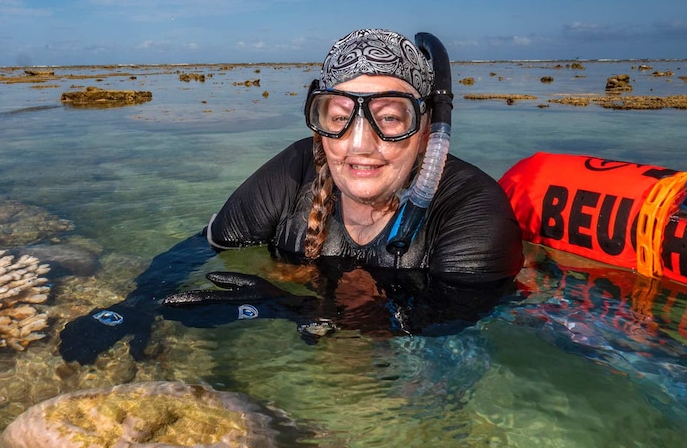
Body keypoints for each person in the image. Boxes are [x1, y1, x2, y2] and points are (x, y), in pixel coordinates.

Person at [59, 28, 524, 365]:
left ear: (426, 132)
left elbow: (445, 321)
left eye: (391, 117)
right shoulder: (296, 170)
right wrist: (136, 305)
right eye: (339, 115)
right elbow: (205, 246)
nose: (360, 143)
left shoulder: (473, 211)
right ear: (317, 120)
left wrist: (287, 307)